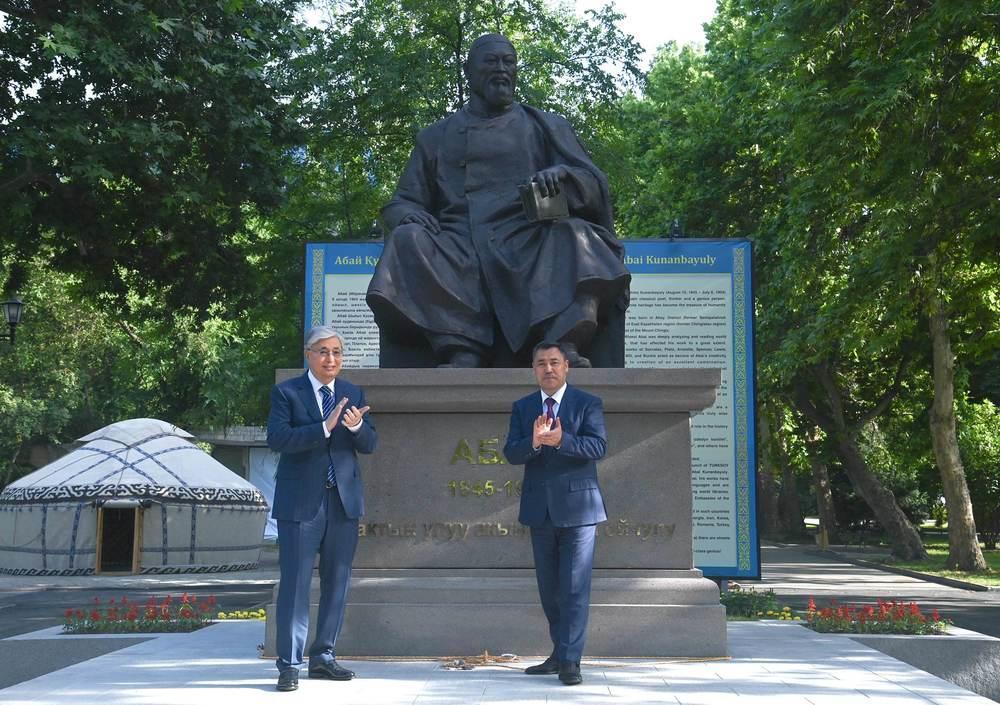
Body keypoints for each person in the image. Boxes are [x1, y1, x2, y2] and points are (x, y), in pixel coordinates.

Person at [367, 33, 630, 368]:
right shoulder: (436, 137)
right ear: (468, 70)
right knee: (407, 239)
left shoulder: (545, 126)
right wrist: (407, 216)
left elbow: (594, 185)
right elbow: (403, 200)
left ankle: (560, 344)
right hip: (457, 242)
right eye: (491, 61)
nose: (502, 69)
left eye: (509, 62)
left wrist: (564, 174)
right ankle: (460, 347)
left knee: (576, 235)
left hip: (528, 237)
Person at [266, 326, 377, 692]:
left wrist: (358, 426)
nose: (332, 359)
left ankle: (323, 657)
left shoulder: (351, 392)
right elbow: (278, 439)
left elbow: (369, 443)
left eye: (337, 353)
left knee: (338, 582)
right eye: (324, 352)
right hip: (301, 503)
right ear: (309, 355)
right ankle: (289, 665)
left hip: (342, 502)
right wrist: (323, 428)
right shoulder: (287, 393)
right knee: (296, 585)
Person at [503, 340, 608, 686]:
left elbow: (598, 446)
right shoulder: (523, 407)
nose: (548, 369)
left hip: (579, 511)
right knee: (550, 590)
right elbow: (511, 453)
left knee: (574, 588)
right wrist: (534, 443)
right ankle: (559, 652)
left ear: (566, 367)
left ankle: (571, 662)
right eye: (541, 364)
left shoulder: (587, 403)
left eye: (554, 362)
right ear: (533, 369)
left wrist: (563, 441)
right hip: (540, 511)